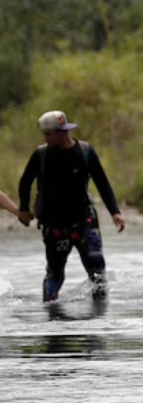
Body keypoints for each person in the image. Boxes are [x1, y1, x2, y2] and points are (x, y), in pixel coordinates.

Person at [17, 110, 126, 301]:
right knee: (55, 274)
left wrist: (115, 212)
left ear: (62, 131)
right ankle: (50, 311)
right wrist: (24, 209)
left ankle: (100, 310)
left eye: (48, 134)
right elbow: (25, 182)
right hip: (54, 224)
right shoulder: (41, 155)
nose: (45, 138)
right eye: (44, 134)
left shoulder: (85, 152)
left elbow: (102, 183)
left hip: (84, 220)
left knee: (96, 265)